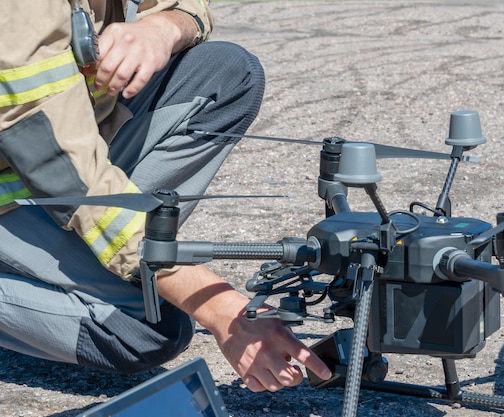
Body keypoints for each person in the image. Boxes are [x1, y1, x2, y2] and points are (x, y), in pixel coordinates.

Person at [0, 0, 331, 393]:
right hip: (42, 171)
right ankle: (116, 263)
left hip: (62, 158)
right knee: (147, 328)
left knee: (227, 72)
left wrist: (162, 29)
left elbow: (189, 6)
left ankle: (114, 262)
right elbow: (67, 175)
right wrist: (221, 310)